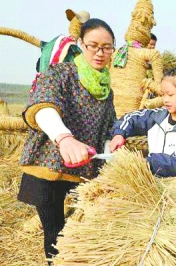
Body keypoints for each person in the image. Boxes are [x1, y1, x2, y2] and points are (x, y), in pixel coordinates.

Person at [17, 18, 117, 264]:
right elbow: (43, 105)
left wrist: (113, 146)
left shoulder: (106, 88)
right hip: (49, 165)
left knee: (84, 228)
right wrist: (64, 138)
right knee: (56, 233)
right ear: (81, 44)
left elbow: (108, 128)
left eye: (107, 47)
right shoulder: (62, 73)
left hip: (83, 170)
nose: (100, 52)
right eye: (93, 45)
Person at [109, 68, 176, 177]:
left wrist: (148, 163)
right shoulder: (156, 116)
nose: (165, 100)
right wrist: (119, 134)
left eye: (170, 95)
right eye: (163, 94)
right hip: (156, 179)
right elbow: (131, 118)